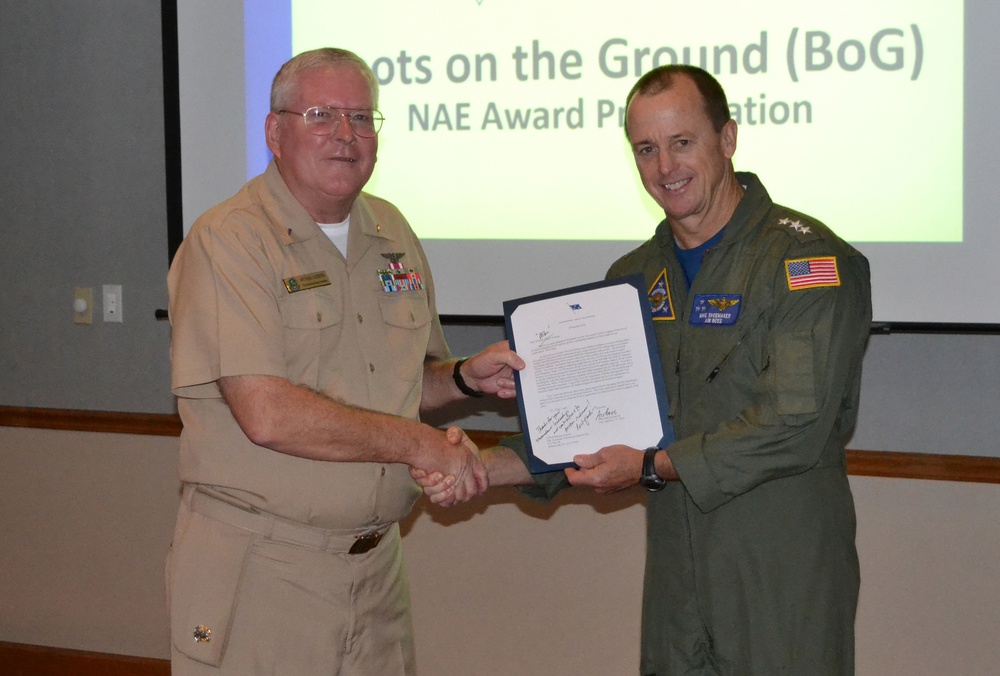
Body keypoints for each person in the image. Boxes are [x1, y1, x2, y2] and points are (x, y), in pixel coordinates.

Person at [418, 65, 872, 674]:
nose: (665, 168)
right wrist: (479, 465)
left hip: (780, 571)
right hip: (677, 580)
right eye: (646, 149)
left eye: (682, 143)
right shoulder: (633, 277)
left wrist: (652, 466)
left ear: (728, 138)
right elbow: (586, 425)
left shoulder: (808, 261)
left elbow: (794, 426)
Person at [165, 47, 522, 676]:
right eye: (322, 114)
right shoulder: (230, 241)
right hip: (265, 570)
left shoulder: (391, 231)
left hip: (378, 569)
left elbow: (401, 384)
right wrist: (423, 446)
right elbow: (267, 413)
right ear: (275, 131)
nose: (345, 135)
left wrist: (465, 377)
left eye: (362, 118)